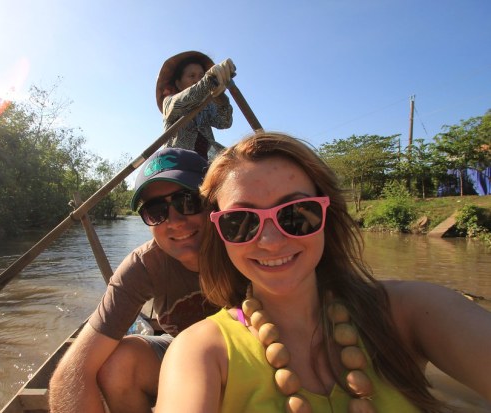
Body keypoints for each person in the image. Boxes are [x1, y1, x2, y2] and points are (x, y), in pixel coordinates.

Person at [155, 132, 491, 412]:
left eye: (297, 213)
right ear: (220, 234)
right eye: (240, 222)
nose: (271, 242)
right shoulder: (200, 352)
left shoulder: (412, 312)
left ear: (326, 216)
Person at [49, 147, 218, 413]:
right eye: (156, 210)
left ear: (215, 201)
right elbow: (72, 372)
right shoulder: (144, 265)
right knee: (118, 364)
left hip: (256, 356)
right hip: (186, 356)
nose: (174, 221)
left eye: (189, 201)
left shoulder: (245, 244)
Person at [156, 50, 235, 160]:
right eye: (192, 76)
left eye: (201, 76)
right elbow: (179, 102)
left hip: (204, 162)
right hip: (175, 161)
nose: (197, 80)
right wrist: (208, 81)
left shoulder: (208, 106)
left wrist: (221, 98)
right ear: (178, 83)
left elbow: (225, 122)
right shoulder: (169, 101)